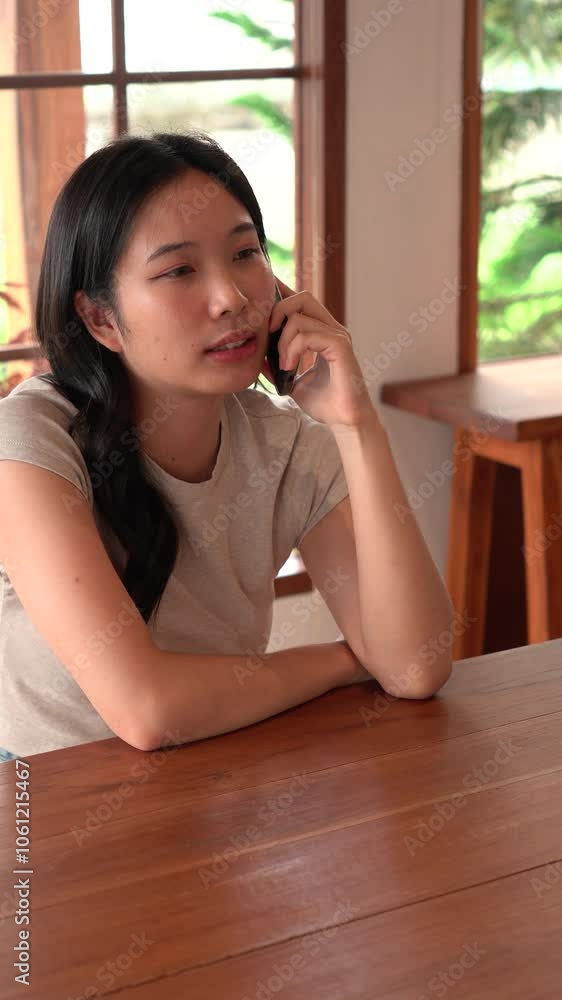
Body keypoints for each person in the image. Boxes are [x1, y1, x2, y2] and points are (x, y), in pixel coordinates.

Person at [0, 130, 454, 762]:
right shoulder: (27, 445)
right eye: (179, 270)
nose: (233, 299)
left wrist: (356, 425)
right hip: (38, 812)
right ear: (101, 319)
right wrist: (343, 660)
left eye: (246, 254)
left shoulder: (285, 439)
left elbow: (415, 667)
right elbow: (148, 710)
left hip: (213, 780)